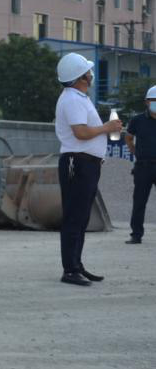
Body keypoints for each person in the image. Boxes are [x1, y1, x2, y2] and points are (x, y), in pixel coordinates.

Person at [52, 53, 122, 286]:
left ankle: (76, 265)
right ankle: (70, 269)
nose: (91, 74)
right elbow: (80, 132)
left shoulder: (78, 98)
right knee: (74, 217)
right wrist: (107, 127)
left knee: (81, 217)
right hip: (78, 162)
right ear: (81, 77)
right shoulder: (72, 99)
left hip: (85, 163)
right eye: (88, 72)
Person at [124, 84, 156, 244]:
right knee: (139, 202)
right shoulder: (137, 120)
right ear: (146, 102)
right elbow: (128, 137)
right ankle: (136, 234)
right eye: (153, 100)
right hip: (143, 166)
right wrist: (135, 152)